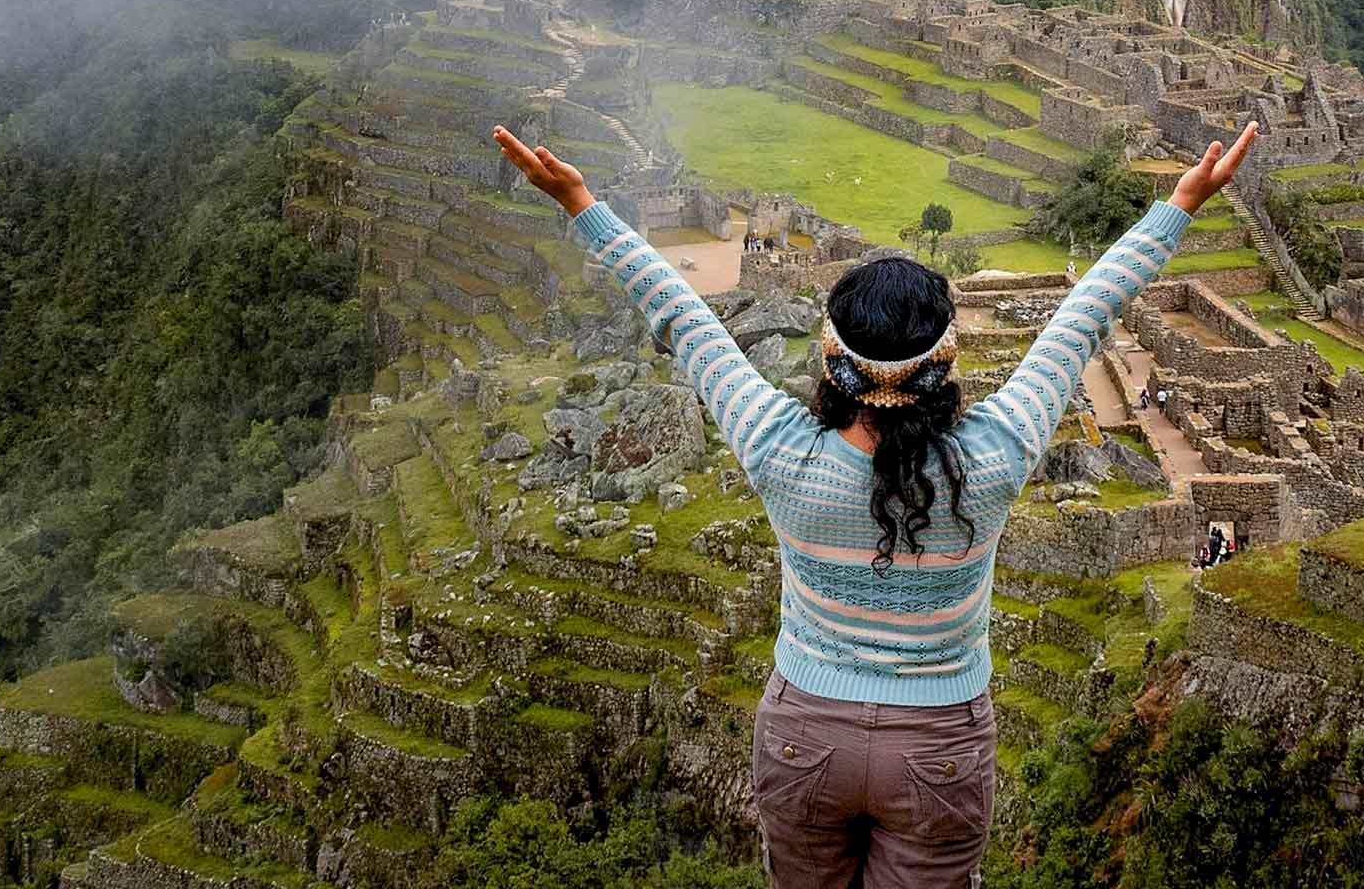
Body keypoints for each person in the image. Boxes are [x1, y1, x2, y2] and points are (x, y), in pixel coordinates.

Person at [495, 118, 1258, 889]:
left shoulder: (778, 447)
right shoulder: (994, 456)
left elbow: (684, 319)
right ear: (944, 363)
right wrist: (1180, 204)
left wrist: (581, 202)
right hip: (939, 746)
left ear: (835, 363)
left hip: (804, 739)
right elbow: (1086, 312)